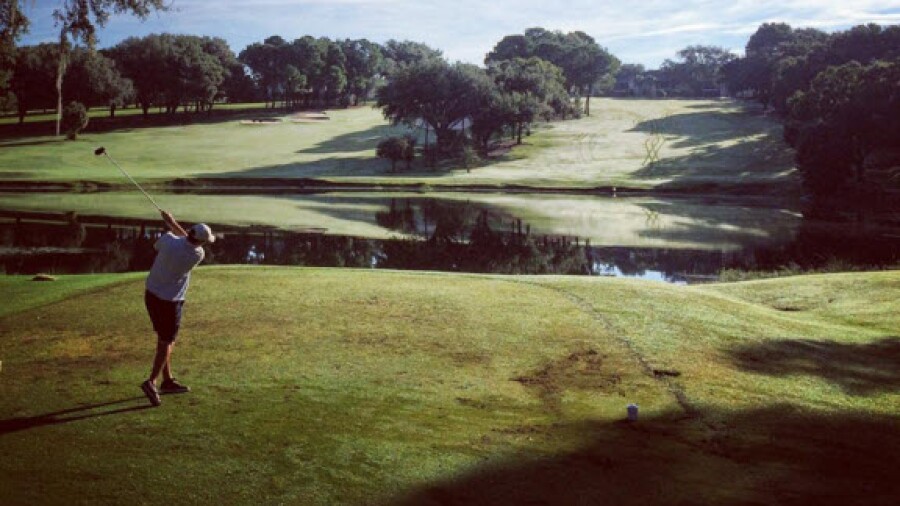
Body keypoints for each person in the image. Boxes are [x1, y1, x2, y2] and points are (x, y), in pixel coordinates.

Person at [140, 210, 215, 407]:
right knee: (167, 341)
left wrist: (170, 223)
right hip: (170, 301)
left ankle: (167, 380)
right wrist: (173, 223)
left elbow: (165, 244)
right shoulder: (198, 253)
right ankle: (152, 381)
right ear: (201, 241)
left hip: (151, 295)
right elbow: (188, 241)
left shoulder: (168, 240)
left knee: (164, 339)